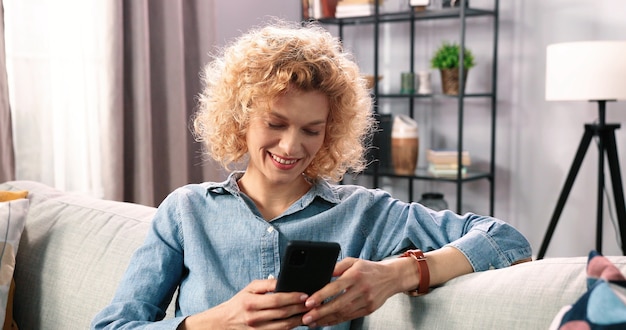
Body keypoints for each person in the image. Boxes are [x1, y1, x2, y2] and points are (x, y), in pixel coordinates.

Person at [92, 19, 532, 329]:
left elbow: (507, 241)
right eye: (276, 124)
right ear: (241, 118)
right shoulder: (187, 210)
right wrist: (213, 322)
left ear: (332, 131)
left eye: (311, 130)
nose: (291, 147)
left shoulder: (367, 212)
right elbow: (113, 326)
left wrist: (396, 275)